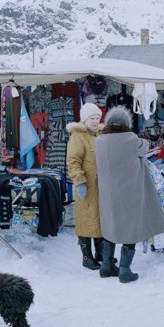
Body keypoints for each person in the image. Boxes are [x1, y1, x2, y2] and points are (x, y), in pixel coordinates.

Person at [95, 106, 164, 283]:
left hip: (107, 193)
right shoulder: (132, 139)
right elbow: (145, 147)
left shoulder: (99, 140)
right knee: (130, 228)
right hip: (128, 192)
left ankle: (106, 265)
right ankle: (124, 270)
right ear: (126, 123)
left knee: (110, 225)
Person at [66, 102, 104, 270]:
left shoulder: (101, 135)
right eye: (92, 118)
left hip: (102, 186)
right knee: (86, 220)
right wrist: (79, 181)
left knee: (100, 219)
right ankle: (86, 257)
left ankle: (101, 254)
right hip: (86, 186)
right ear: (84, 119)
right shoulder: (77, 136)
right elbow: (73, 161)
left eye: (97, 118)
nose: (95, 121)